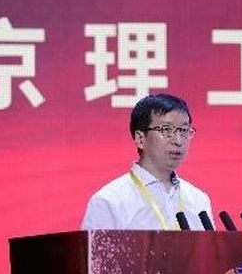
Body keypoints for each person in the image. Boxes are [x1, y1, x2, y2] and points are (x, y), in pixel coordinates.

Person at [81, 93, 213, 230]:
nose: (178, 141)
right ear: (140, 139)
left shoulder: (198, 199)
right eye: (166, 129)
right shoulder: (109, 201)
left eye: (184, 130)